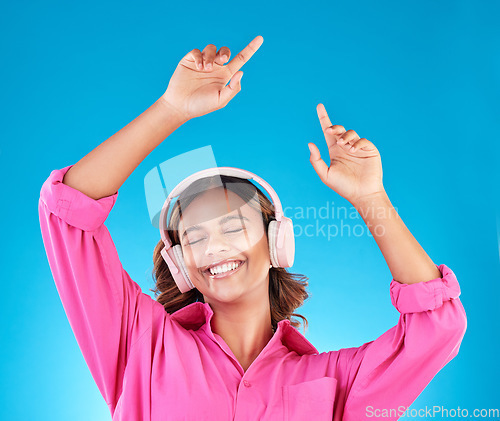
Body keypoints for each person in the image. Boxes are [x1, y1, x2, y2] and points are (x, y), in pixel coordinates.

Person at [38, 35, 467, 421]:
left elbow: (438, 327)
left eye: (232, 227)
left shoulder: (333, 381)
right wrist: (171, 109)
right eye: (195, 237)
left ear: (277, 241)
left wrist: (370, 197)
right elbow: (67, 212)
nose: (213, 249)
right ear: (181, 263)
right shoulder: (141, 344)